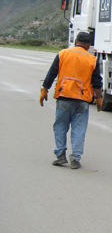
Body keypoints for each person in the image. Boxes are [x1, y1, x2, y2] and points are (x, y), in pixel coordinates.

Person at [40, 31, 103, 169]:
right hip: (82, 101)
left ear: (75, 42)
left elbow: (52, 73)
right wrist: (99, 99)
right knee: (79, 129)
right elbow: (97, 82)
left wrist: (45, 89)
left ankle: (61, 155)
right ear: (89, 45)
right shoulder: (92, 59)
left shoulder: (63, 54)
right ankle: (75, 159)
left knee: (60, 126)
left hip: (64, 97)